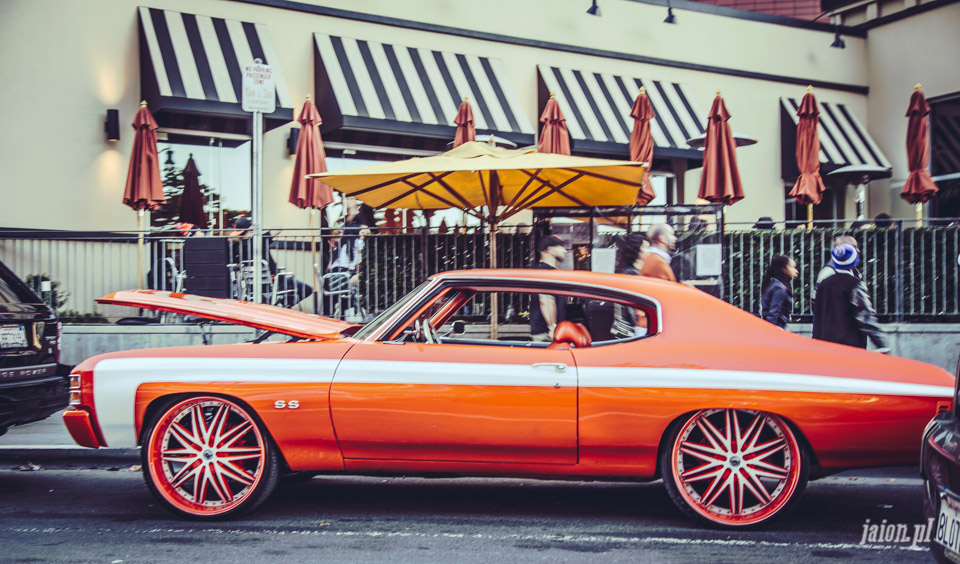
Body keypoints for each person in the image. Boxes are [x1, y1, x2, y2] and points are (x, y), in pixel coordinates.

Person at [812, 244, 889, 351]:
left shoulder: (823, 284)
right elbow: (866, 317)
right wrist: (882, 344)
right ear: (855, 261)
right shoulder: (855, 284)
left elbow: (816, 311)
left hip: (824, 345)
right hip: (849, 346)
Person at [230, 217, 313, 308]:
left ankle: (275, 305)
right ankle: (279, 307)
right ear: (250, 229)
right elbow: (279, 228)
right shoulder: (258, 241)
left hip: (253, 286)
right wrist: (258, 232)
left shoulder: (237, 248)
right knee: (306, 289)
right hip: (274, 282)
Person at [529, 235, 568, 342]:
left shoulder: (546, 271)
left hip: (547, 331)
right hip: (546, 333)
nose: (564, 250)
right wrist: (552, 327)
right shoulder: (546, 272)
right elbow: (546, 301)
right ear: (550, 250)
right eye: (560, 246)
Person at [612, 233, 651, 338]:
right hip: (631, 330)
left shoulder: (628, 271)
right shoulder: (631, 274)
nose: (649, 252)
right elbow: (633, 308)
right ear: (638, 250)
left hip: (624, 328)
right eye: (646, 248)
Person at [812, 234, 859, 305]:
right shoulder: (829, 272)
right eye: (854, 247)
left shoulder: (851, 270)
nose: (858, 250)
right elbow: (817, 302)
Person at [760, 255, 797, 329]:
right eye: (792, 267)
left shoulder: (774, 284)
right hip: (776, 329)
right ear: (783, 269)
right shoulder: (779, 288)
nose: (796, 271)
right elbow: (774, 314)